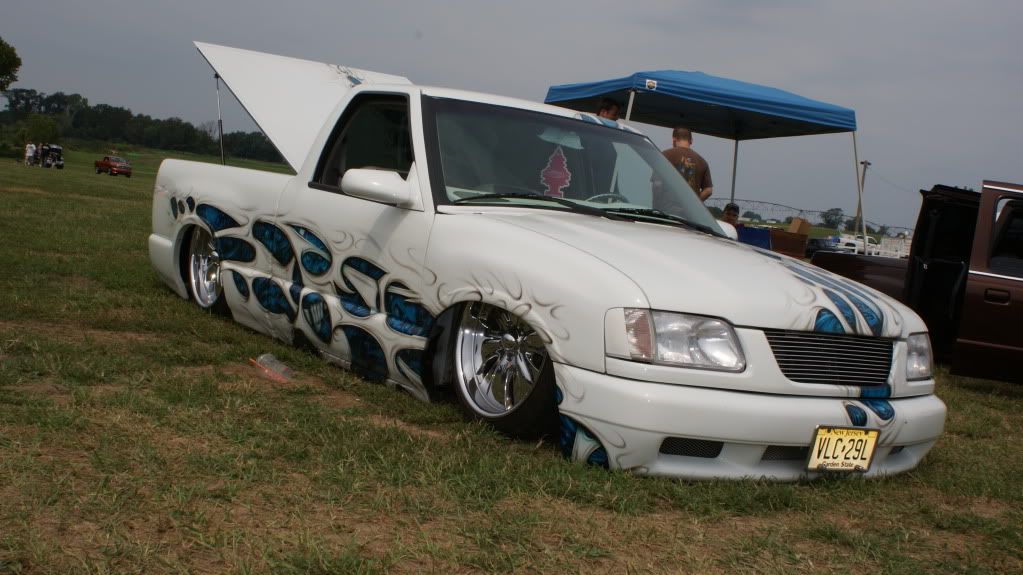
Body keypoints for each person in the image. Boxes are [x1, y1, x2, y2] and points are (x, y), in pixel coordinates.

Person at [662, 127, 713, 201]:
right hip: (690, 211)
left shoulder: (665, 156)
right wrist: (694, 204)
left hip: (667, 209)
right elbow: (708, 190)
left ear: (674, 139)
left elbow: (657, 184)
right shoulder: (702, 161)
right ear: (691, 141)